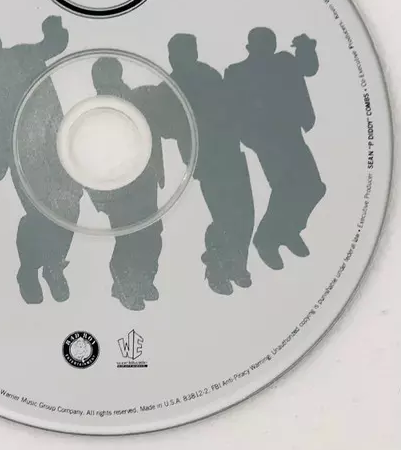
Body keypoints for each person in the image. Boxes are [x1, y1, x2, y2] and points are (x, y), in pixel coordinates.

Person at [0, 16, 82, 304]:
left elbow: (53, 45)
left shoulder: (22, 55)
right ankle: (31, 270)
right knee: (41, 215)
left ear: (0, 49)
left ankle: (52, 264)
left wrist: (53, 25)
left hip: (53, 145)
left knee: (69, 207)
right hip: (20, 155)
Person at [224, 28, 326, 270]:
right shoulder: (237, 72)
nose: (267, 47)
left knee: (314, 187)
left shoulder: (284, 62)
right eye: (262, 43)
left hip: (291, 134)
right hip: (266, 140)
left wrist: (306, 47)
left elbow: (309, 68)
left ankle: (288, 230)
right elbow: (231, 110)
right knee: (285, 187)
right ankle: (266, 239)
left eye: (270, 43)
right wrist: (249, 137)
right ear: (250, 46)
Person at [168, 33, 255, 295]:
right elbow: (171, 126)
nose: (186, 56)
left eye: (189, 50)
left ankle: (235, 263)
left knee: (245, 213)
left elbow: (230, 106)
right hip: (207, 159)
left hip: (228, 152)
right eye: (181, 52)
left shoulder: (208, 74)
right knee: (226, 215)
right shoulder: (173, 85)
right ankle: (217, 266)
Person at [89, 56, 174, 311]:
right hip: (117, 188)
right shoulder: (92, 112)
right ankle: (126, 287)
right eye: (101, 77)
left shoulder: (137, 100)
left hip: (143, 181)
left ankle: (144, 280)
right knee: (128, 237)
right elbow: (88, 158)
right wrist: (98, 196)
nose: (105, 81)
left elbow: (153, 133)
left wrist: (157, 171)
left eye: (109, 74)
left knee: (151, 232)